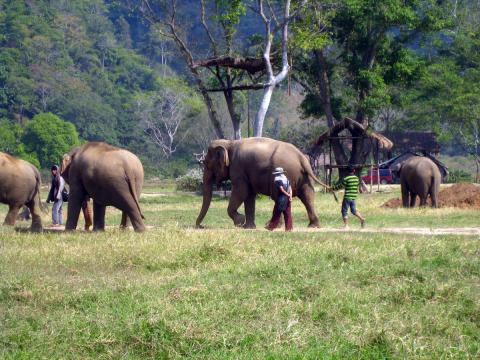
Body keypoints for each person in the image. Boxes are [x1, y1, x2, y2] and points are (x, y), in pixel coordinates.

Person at [266, 167, 293, 231]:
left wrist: (287, 195)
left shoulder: (277, 180)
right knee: (287, 213)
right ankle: (289, 228)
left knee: (276, 213)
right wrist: (290, 196)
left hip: (281, 198)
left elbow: (281, 189)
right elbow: (290, 189)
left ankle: (271, 227)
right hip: (288, 198)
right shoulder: (286, 179)